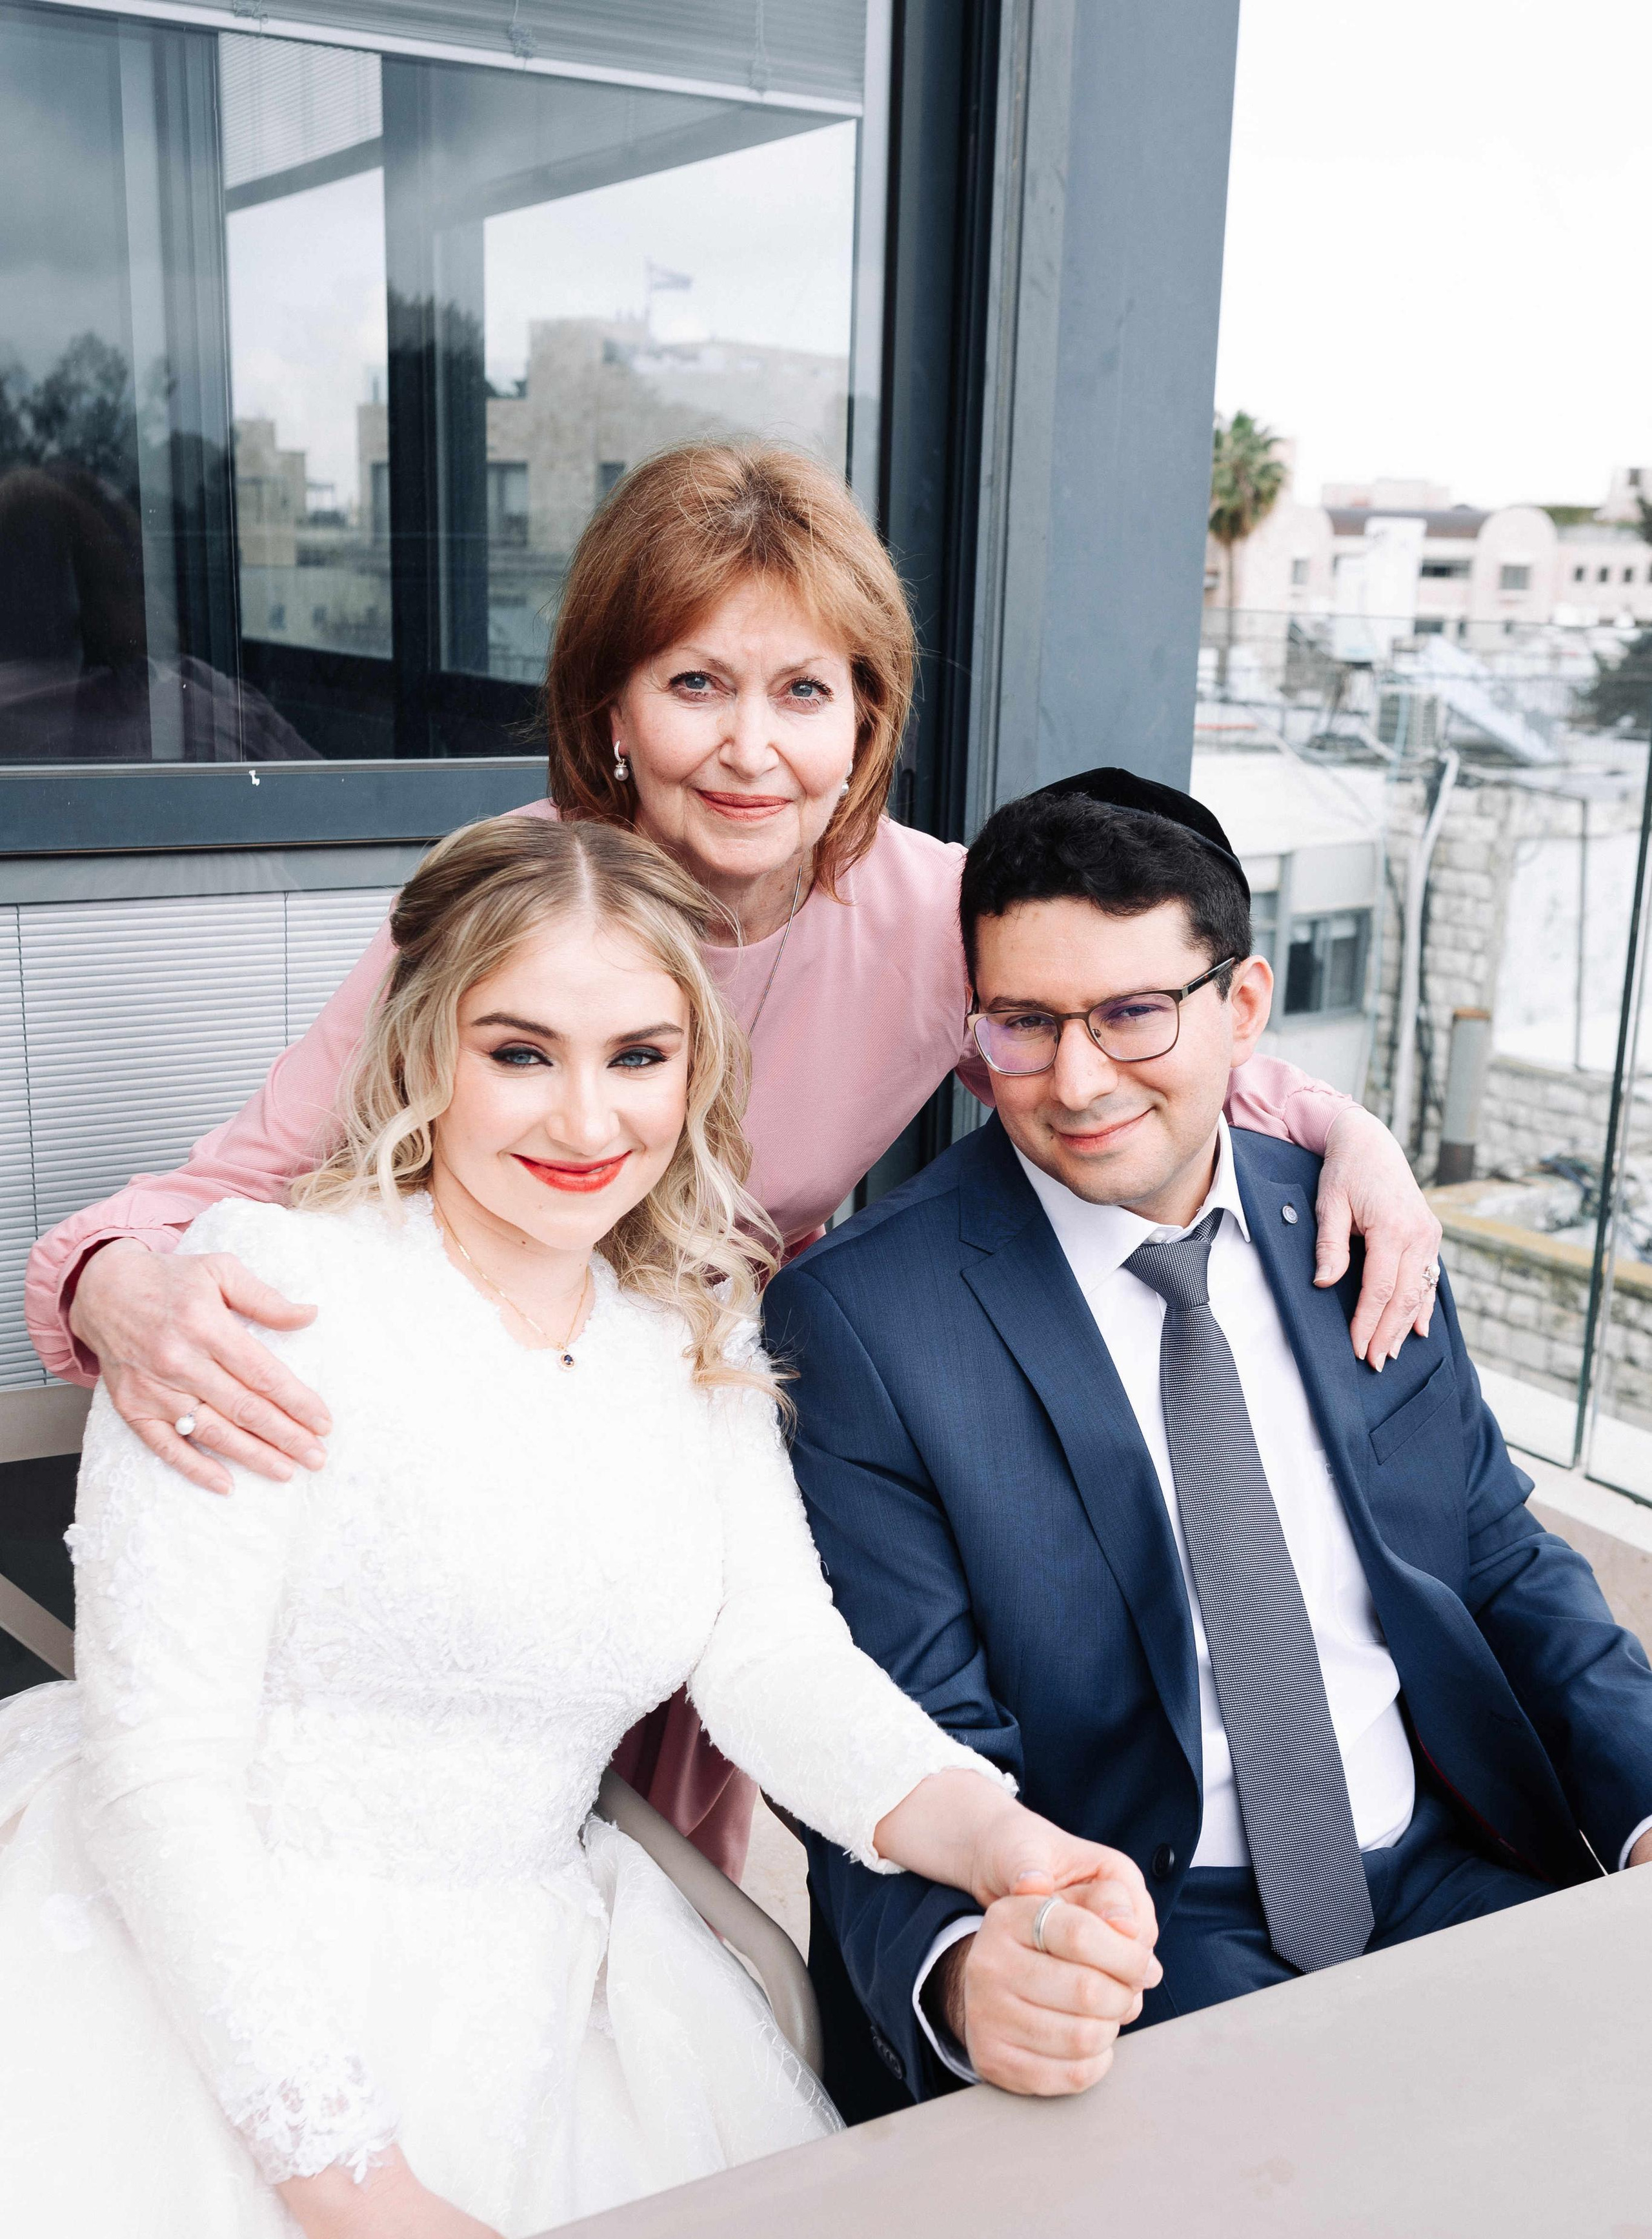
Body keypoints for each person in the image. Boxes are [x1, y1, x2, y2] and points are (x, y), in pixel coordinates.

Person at [24, 441, 1442, 1881]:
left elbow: (1144, 1054)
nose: (750, 750)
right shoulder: (516, 903)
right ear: (612, 710)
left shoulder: (936, 911)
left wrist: (1351, 1135)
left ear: (865, 718)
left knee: (686, 1855)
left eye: (802, 692)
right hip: (474, 1414)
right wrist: (114, 1286)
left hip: (707, 1402)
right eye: (696, 683)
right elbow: (236, 1178)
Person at [0, 813, 1160, 2239]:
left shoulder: (688, 1333)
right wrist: (359, 2200)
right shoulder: (259, 1290)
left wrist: (1001, 1842)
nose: (585, 1118)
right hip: (193, 1958)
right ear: (425, 1050)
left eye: (637, 1057)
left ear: (695, 1072)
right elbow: (160, 1776)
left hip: (544, 1975)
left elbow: (773, 1660)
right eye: (519, 1053)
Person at [764, 777, 1652, 2114]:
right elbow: (892, 1730)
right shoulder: (864, 1323)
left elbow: (1501, 1560)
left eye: (1131, 1013)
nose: (1075, 1082)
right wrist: (962, 1973)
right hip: (1141, 1934)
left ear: (1241, 1008)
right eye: (1023, 1023)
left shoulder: (1360, 1233)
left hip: (1449, 1865)